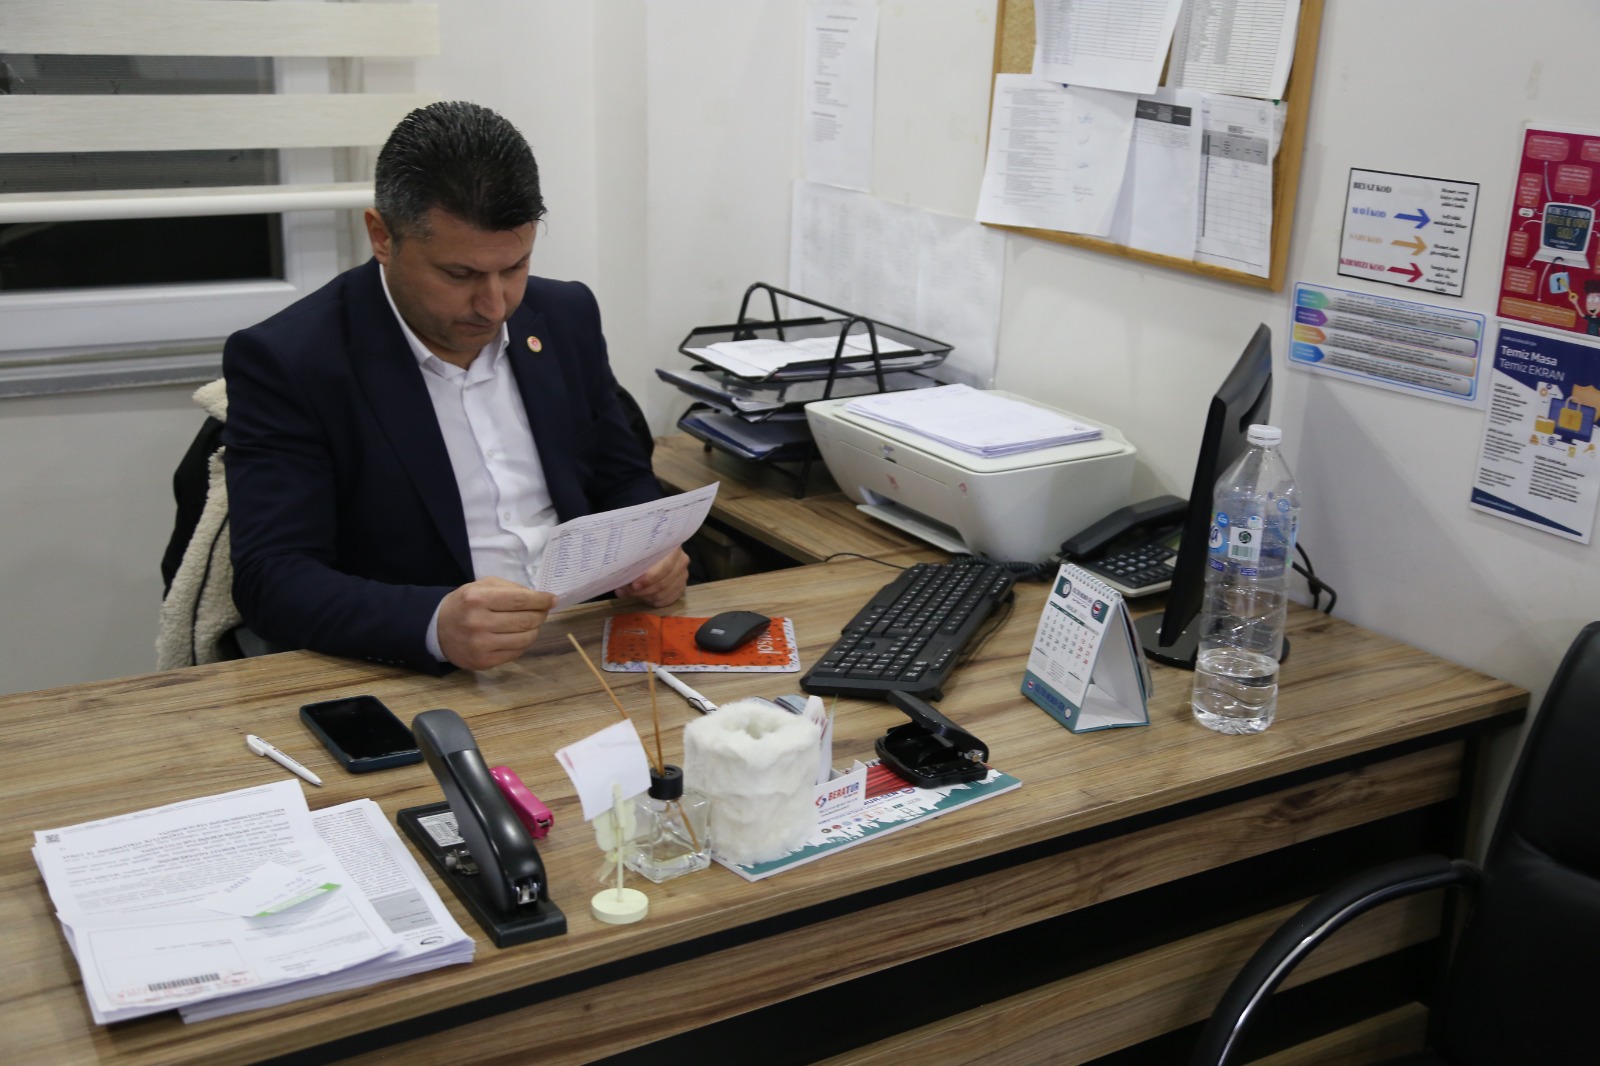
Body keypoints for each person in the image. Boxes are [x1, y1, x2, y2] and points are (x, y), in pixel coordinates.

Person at [223, 101, 688, 674]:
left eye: (514, 267)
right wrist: (432, 623)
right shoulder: (292, 360)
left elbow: (621, 477)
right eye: (460, 274)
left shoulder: (564, 315)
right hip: (420, 671)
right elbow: (273, 578)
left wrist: (652, 549)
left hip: (586, 643)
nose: (494, 305)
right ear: (382, 237)